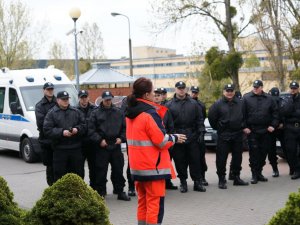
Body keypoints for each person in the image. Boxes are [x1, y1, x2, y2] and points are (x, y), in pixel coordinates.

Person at [126, 77, 186, 225]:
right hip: (153, 168)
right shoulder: (149, 114)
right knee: (155, 206)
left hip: (137, 168)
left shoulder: (130, 113)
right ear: (146, 95)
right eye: (153, 92)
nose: (155, 94)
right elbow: (161, 141)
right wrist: (174, 137)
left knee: (143, 203)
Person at [88, 91, 130, 201]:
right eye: (106, 99)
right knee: (101, 171)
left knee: (118, 170)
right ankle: (101, 192)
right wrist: (99, 140)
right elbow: (91, 130)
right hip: (102, 146)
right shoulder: (95, 113)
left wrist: (121, 138)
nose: (108, 101)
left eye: (109, 99)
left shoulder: (118, 112)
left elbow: (125, 128)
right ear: (102, 99)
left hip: (115, 145)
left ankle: (120, 191)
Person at [166, 81, 206, 193]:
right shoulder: (169, 105)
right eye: (179, 88)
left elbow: (200, 119)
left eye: (183, 88)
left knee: (195, 161)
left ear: (186, 89)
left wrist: (201, 132)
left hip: (192, 135)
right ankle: (183, 182)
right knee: (180, 162)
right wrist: (173, 136)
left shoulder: (194, 104)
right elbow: (168, 123)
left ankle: (197, 183)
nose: (181, 90)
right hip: (178, 137)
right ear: (175, 89)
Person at [208, 84, 249, 189]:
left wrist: (242, 126)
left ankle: (236, 177)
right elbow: (212, 118)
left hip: (237, 134)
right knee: (221, 159)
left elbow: (245, 116)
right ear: (223, 92)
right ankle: (222, 179)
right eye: (227, 91)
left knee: (237, 158)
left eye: (231, 91)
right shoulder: (217, 104)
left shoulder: (240, 103)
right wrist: (220, 127)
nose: (229, 92)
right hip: (224, 135)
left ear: (234, 92)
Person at [43, 91, 86, 182]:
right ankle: (61, 196)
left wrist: (77, 129)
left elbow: (84, 126)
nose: (66, 101)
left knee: (78, 174)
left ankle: (77, 195)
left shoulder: (76, 112)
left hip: (75, 149)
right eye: (63, 99)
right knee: (60, 176)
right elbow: (47, 130)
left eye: (67, 99)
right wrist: (62, 132)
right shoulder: (52, 113)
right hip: (60, 149)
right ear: (58, 100)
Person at [242, 80, 279, 184]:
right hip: (252, 130)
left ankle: (259, 173)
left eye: (257, 87)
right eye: (254, 87)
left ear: (262, 88)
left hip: (266, 130)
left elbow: (275, 113)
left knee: (263, 153)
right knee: (254, 153)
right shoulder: (246, 98)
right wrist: (244, 127)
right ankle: (254, 174)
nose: (255, 88)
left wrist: (273, 125)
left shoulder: (269, 98)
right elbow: (242, 114)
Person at [154, 88, 178, 190]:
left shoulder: (165, 110)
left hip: (165, 140)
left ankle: (167, 182)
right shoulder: (148, 110)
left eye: (159, 95)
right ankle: (156, 183)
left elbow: (170, 125)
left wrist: (170, 140)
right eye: (155, 95)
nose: (157, 97)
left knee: (166, 163)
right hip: (154, 142)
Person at [35, 82, 56, 186]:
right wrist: (56, 126)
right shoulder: (39, 106)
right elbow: (42, 123)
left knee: (60, 165)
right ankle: (51, 187)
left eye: (51, 89)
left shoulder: (59, 102)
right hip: (46, 141)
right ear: (43, 91)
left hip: (58, 140)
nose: (50, 91)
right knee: (50, 166)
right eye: (48, 89)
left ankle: (60, 187)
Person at [76, 90, 97, 188]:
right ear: (79, 98)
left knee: (94, 168)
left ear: (88, 98)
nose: (84, 100)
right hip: (80, 144)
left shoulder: (95, 109)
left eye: (85, 97)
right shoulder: (74, 110)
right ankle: (81, 189)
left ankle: (94, 189)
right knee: (79, 169)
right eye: (82, 98)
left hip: (93, 143)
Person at [279, 81, 300, 180]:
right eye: (292, 88)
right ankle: (295, 169)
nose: (293, 90)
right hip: (290, 128)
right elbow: (284, 112)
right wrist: (291, 100)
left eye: (295, 88)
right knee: (290, 151)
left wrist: (293, 113)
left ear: (298, 89)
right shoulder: (286, 99)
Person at [190, 85, 208, 186]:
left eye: (196, 92)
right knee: (193, 159)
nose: (194, 94)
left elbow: (202, 119)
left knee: (201, 158)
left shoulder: (201, 105)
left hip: (199, 134)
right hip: (190, 134)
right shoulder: (187, 103)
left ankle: (203, 177)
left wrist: (201, 132)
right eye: (192, 92)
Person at [120, 96, 136, 197]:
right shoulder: (127, 102)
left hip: (141, 139)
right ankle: (131, 187)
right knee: (132, 164)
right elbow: (122, 120)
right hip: (131, 139)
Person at [268, 87, 282, 177]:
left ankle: (293, 169)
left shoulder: (282, 101)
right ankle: (275, 169)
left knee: (288, 149)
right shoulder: (268, 102)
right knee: (271, 151)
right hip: (272, 129)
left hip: (279, 129)